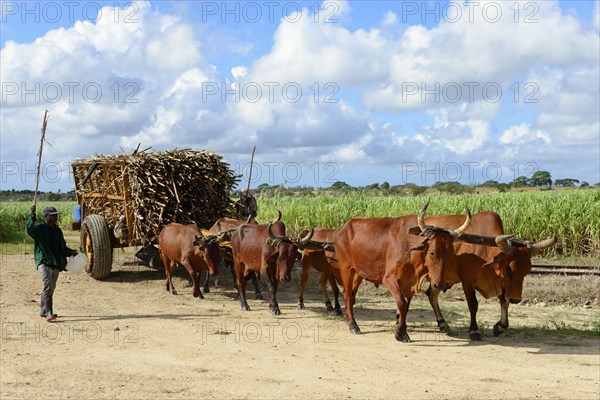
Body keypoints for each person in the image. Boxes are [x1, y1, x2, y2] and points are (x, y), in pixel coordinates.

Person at [26, 205, 78, 322]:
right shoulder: (39, 229)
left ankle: (44, 310)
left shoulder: (58, 231)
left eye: (56, 214)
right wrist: (32, 216)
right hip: (44, 261)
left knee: (51, 287)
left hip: (55, 263)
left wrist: (72, 252)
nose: (56, 216)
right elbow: (29, 229)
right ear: (46, 216)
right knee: (48, 286)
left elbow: (63, 248)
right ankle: (49, 312)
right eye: (53, 215)